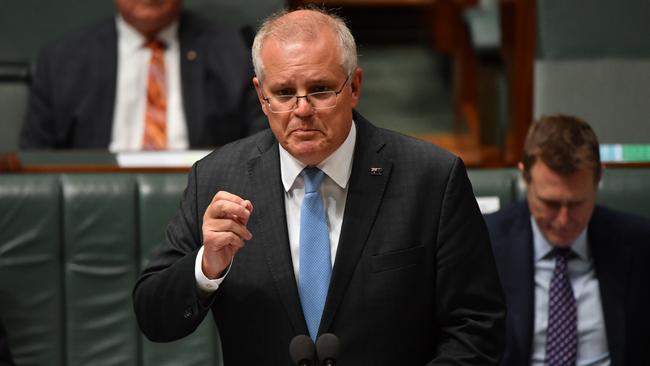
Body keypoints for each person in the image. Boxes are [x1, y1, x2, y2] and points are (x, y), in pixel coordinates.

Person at [133, 8, 505, 365]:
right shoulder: (216, 178)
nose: (302, 109)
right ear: (261, 96)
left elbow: (477, 327)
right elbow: (154, 319)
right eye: (283, 93)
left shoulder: (431, 179)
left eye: (321, 89)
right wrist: (207, 266)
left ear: (355, 86)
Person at [484, 115, 650, 366]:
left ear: (599, 179)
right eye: (550, 203)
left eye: (576, 204)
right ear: (524, 179)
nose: (563, 220)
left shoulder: (639, 244)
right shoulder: (485, 243)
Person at [20, 0, 267, 150]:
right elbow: (36, 157)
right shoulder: (62, 59)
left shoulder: (233, 49)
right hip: (94, 200)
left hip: (205, 195)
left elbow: (260, 145)